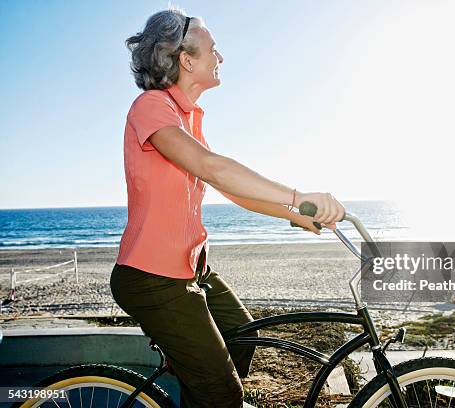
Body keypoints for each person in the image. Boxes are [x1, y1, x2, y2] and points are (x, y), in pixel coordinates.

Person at [109, 7, 345, 408]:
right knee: (222, 394)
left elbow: (232, 189)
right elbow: (212, 168)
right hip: (152, 278)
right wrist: (297, 194)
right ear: (186, 60)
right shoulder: (151, 107)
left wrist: (295, 215)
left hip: (192, 270)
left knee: (241, 334)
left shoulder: (189, 119)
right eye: (213, 50)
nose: (220, 58)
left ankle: (199, 383)